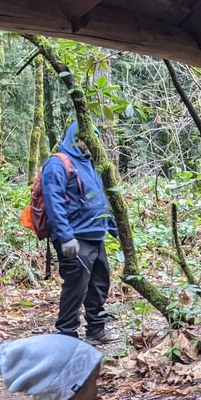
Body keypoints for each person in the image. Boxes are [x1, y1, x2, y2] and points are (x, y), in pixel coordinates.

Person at [42, 121, 118, 345]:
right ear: (75, 137)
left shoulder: (90, 164)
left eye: (93, 138)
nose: (89, 143)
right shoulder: (57, 164)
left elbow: (100, 200)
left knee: (99, 285)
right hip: (75, 238)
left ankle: (96, 330)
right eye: (85, 138)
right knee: (76, 288)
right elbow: (53, 202)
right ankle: (67, 336)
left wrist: (114, 228)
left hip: (96, 235)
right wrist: (66, 237)